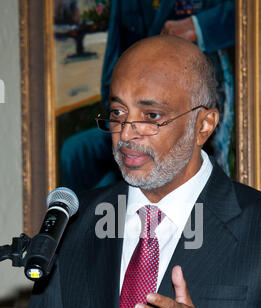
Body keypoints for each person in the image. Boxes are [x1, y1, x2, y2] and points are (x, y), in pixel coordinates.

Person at [16, 35, 261, 308]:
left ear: (204, 124)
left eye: (151, 116)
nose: (127, 134)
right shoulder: (74, 224)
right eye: (117, 113)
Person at [61, 0, 235, 193]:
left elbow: (244, 15)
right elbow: (112, 66)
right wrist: (119, 115)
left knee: (109, 195)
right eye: (117, 111)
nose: (126, 134)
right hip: (132, 129)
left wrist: (197, 26)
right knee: (74, 153)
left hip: (184, 121)